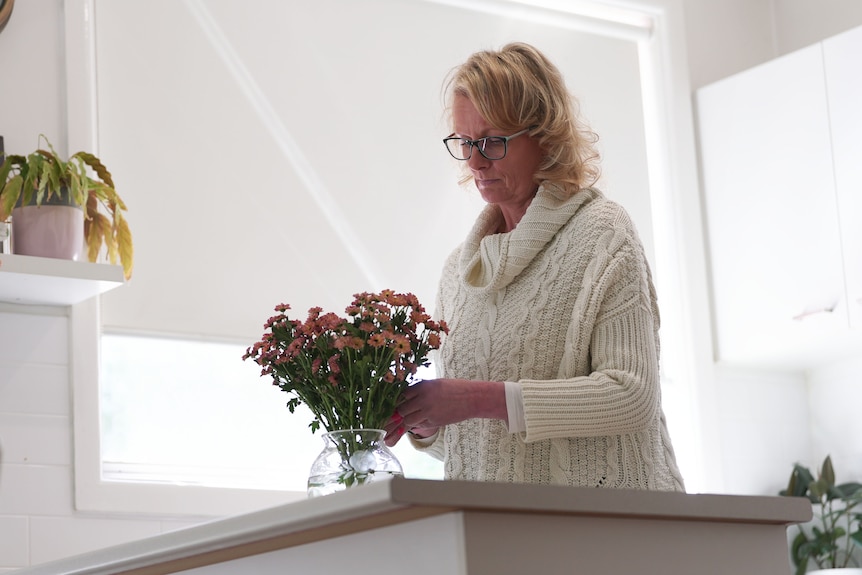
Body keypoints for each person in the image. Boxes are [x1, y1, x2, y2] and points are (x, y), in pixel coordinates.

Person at [384, 42, 685, 492]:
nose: (475, 161)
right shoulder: (459, 272)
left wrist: (476, 397)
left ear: (545, 135)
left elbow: (631, 395)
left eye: (491, 141)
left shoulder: (602, 235)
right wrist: (423, 422)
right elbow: (479, 441)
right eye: (465, 143)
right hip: (504, 537)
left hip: (616, 530)